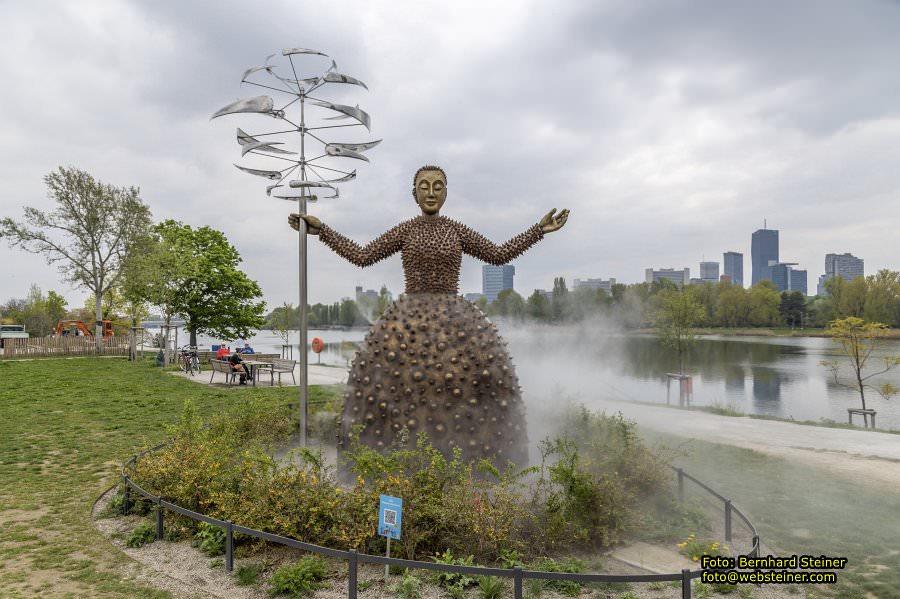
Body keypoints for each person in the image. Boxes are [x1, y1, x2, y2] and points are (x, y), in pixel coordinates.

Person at [289, 165, 569, 464]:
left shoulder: (456, 230)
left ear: (446, 193)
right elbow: (363, 256)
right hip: (406, 323)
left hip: (456, 320)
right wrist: (323, 231)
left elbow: (498, 255)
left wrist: (539, 230)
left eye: (438, 186)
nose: (431, 192)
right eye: (424, 186)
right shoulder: (406, 230)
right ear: (414, 194)